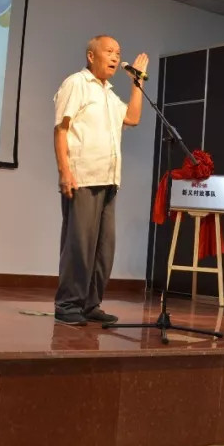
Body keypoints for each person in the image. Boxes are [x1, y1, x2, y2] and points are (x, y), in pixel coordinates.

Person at [52, 35, 147, 325]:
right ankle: (68, 304)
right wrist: (64, 171)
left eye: (118, 52)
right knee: (79, 245)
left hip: (108, 179)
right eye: (109, 51)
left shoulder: (108, 94)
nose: (116, 57)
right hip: (83, 177)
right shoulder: (76, 83)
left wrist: (137, 83)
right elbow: (61, 129)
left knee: (104, 249)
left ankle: (90, 304)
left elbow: (132, 118)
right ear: (91, 56)